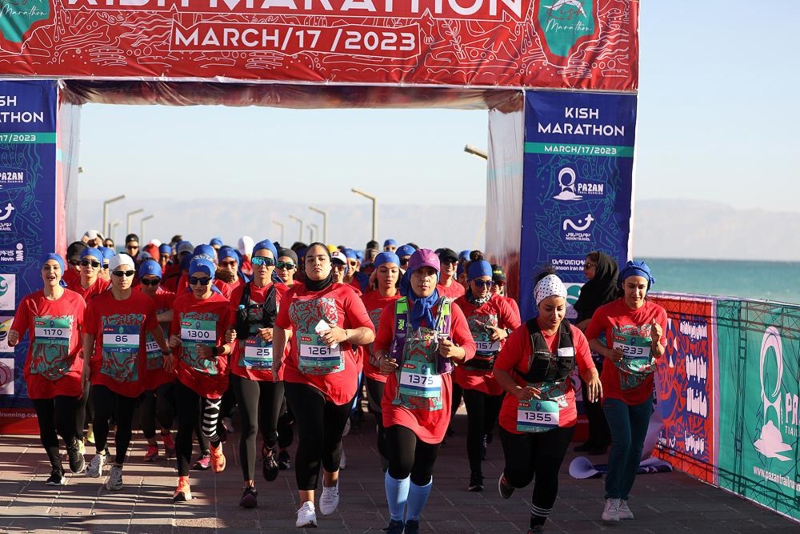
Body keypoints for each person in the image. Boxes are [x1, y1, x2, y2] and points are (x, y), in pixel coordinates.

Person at [272, 242, 375, 528]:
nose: (315, 263)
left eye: (321, 259)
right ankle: (306, 505)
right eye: (310, 259)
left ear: (330, 265)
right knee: (310, 436)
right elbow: (281, 326)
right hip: (300, 375)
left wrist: (345, 333)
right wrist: (277, 359)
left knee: (331, 441)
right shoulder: (292, 295)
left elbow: (369, 333)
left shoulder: (346, 294)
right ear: (303, 266)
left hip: (339, 380)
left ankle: (330, 484)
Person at [376, 249, 476, 534]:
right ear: (410, 275)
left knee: (422, 469)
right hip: (400, 400)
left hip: (435, 404)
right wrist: (382, 359)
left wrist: (455, 351)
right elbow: (380, 345)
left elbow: (469, 347)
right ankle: (396, 520)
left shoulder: (450, 310)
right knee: (401, 461)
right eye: (419, 272)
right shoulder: (395, 309)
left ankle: (413, 520)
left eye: (430, 273)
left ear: (437, 277)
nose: (424, 278)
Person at [494, 271, 602, 534]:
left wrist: (592, 378)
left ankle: (536, 525)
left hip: (560, 415)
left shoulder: (574, 335)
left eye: (560, 308)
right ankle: (510, 477)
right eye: (548, 309)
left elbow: (588, 366)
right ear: (538, 306)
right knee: (522, 474)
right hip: (519, 414)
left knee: (548, 470)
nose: (555, 315)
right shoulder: (522, 335)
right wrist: (518, 390)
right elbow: (500, 370)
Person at [585, 260, 666, 523]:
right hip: (614, 388)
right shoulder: (607, 312)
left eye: (641, 286)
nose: (636, 292)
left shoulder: (658, 313)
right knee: (623, 442)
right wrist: (608, 352)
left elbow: (659, 353)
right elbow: (589, 338)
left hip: (643, 389)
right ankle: (611, 498)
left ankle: (622, 499)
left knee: (636, 449)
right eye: (631, 286)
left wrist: (656, 340)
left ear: (648, 287)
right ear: (622, 285)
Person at [82, 253, 172, 491]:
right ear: (110, 275)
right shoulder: (97, 303)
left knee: (124, 422)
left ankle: (118, 469)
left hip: (131, 372)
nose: (123, 278)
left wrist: (166, 351)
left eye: (129, 273)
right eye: (119, 273)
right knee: (101, 413)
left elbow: (155, 330)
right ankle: (100, 453)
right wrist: (87, 362)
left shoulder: (144, 302)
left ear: (134, 276)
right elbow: (89, 333)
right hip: (103, 368)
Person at [9, 254, 87, 485]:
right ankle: (56, 470)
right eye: (46, 268)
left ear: (62, 272)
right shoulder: (30, 302)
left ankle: (72, 444)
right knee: (45, 424)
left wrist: (87, 356)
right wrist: (13, 337)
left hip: (68, 370)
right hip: (38, 370)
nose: (50, 271)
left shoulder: (76, 300)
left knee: (62, 419)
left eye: (55, 267)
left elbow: (87, 332)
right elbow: (16, 332)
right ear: (41, 273)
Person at [227, 239, 289, 508]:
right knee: (250, 426)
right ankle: (248, 487)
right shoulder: (238, 293)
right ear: (251, 262)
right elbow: (230, 326)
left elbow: (295, 329)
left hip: (275, 369)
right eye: (258, 260)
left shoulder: (285, 293)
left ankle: (269, 448)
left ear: (274, 265)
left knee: (270, 427)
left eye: (268, 261)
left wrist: (277, 333)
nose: (263, 266)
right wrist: (230, 335)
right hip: (245, 368)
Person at [169, 256, 233, 502]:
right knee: (185, 426)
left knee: (208, 428)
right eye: (193, 280)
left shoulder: (223, 305)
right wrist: (173, 342)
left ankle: (215, 443)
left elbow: (231, 344)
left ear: (212, 280)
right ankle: (182, 482)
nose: (197, 285)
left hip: (214, 375)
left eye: (203, 280)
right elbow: (174, 334)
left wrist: (216, 351)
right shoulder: (181, 302)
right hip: (186, 372)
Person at [454, 260, 520, 492]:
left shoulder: (499, 303)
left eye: (489, 283)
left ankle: (485, 434)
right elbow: (448, 330)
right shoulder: (458, 306)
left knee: (490, 422)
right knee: (476, 421)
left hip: (495, 372)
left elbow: (518, 330)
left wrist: (503, 332)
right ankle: (476, 475)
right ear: (469, 281)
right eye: (479, 283)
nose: (485, 288)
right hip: (470, 372)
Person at [573, 251, 619, 455]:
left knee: (606, 399)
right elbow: (580, 316)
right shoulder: (588, 289)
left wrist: (588, 322)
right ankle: (594, 438)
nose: (584, 270)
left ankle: (605, 440)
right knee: (590, 396)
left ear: (601, 268)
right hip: (588, 350)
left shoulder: (616, 292)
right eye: (584, 265)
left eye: (588, 266)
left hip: (609, 353)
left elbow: (613, 318)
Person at [360, 252, 402, 471]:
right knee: (383, 420)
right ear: (375, 273)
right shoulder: (364, 301)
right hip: (374, 370)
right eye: (383, 270)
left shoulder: (405, 302)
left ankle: (400, 465)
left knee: (399, 422)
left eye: (394, 271)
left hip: (400, 372)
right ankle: (389, 470)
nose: (389, 275)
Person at [137, 259, 177, 462]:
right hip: (141, 363)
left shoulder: (167, 296)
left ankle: (166, 432)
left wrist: (154, 319)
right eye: (146, 281)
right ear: (139, 280)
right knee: (145, 409)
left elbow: (177, 312)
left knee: (164, 406)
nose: (150, 286)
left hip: (163, 362)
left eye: (155, 282)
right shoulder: (133, 296)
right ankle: (152, 445)